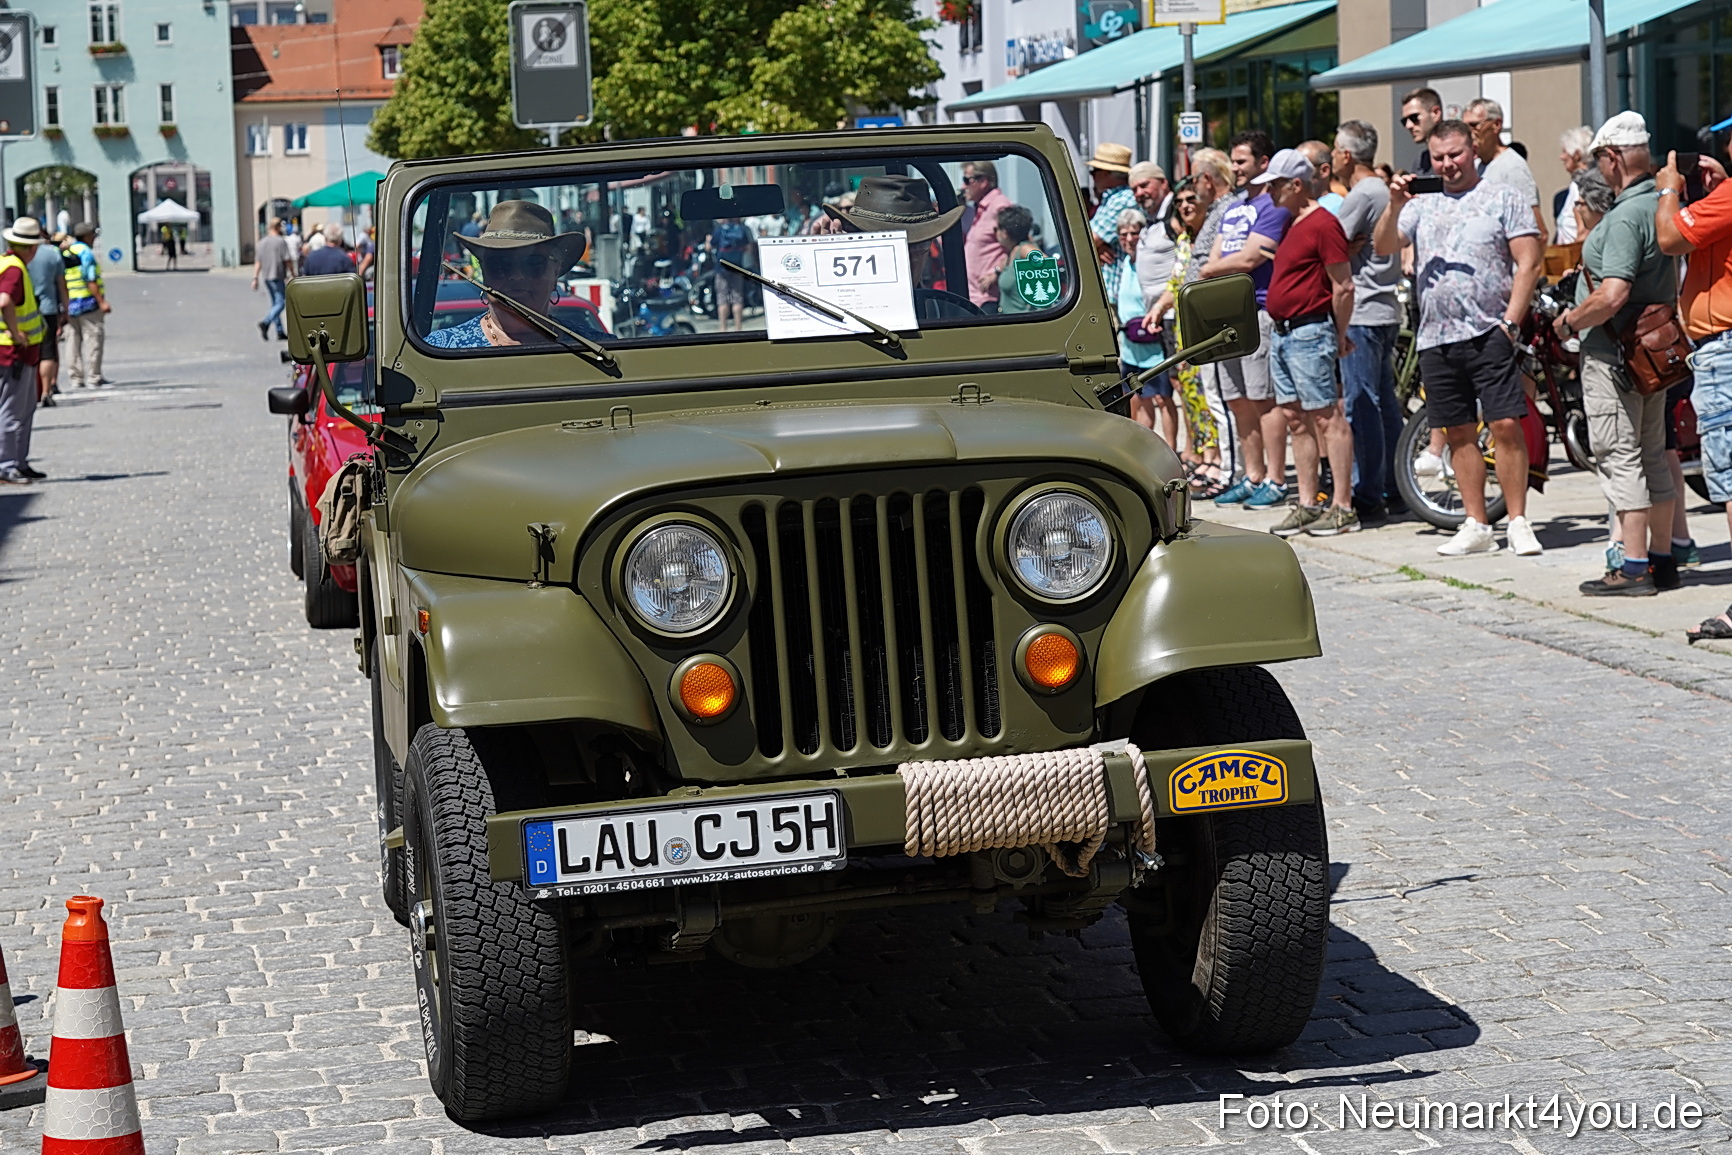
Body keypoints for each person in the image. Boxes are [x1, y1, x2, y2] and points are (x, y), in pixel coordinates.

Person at [1375, 120, 1544, 556]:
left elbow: (1529, 262)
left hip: (1490, 330)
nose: (1448, 165)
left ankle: (1519, 520)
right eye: (1439, 157)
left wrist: (1510, 322)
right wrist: (1394, 204)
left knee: (1505, 423)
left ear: (1473, 152)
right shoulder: (1422, 202)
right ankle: (1476, 523)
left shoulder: (1503, 197)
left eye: (1456, 154)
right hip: (1436, 335)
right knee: (1457, 431)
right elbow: (1384, 245)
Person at [1551, 113, 1678, 596]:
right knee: (1650, 456)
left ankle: (1633, 566)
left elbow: (1612, 295)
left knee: (1619, 456)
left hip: (1617, 355)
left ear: (1611, 158)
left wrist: (1569, 322)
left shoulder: (1625, 216)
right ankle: (1662, 559)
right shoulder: (1659, 205)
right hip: (1651, 352)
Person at [1258, 150, 1359, 537]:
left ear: (1296, 185)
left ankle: (1343, 505)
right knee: (1296, 418)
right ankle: (1307, 501)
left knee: (1326, 417)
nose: (1268, 192)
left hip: (1308, 331)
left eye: (1274, 185)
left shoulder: (1323, 224)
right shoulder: (1290, 224)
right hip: (1284, 332)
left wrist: (1337, 334)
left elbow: (1343, 285)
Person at [1656, 134, 1732, 639]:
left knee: (1730, 479)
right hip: (1718, 348)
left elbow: (1669, 238)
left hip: (1724, 350)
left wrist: (1668, 189)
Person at [1204, 133, 1293, 511]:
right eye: (1233, 161)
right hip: (1228, 311)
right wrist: (1212, 268)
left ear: (1263, 162)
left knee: (1263, 398)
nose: (1235, 168)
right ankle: (1252, 474)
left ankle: (1276, 478)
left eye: (1242, 161)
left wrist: (1208, 270)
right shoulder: (1233, 207)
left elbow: (1249, 258)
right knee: (1238, 399)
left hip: (1258, 309)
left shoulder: (1273, 207)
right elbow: (1219, 251)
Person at [1334, 119, 1404, 520]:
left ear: (1346, 154)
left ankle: (1369, 490)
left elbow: (1328, 244)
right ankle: (1394, 484)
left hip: (1362, 308)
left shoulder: (1362, 194)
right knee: (1384, 404)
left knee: (1361, 405)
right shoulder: (1381, 189)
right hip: (1384, 306)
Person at [425, 201, 592, 349]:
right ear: (484, 272)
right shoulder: (440, 351)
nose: (517, 276)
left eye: (533, 263)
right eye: (500, 264)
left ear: (555, 272)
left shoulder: (594, 349)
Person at [1177, 148, 1238, 497]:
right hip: (1202, 311)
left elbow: (1212, 262)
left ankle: (1229, 471)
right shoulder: (1215, 211)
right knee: (1213, 396)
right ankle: (1230, 468)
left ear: (1207, 179)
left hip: (1215, 312)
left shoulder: (1225, 210)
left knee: (1221, 398)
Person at [1112, 208, 1176, 445]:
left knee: (1163, 399)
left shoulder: (1150, 264)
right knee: (1138, 398)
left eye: (1134, 233)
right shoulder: (1123, 265)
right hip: (1130, 347)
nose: (1129, 239)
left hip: (1154, 344)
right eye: (1123, 234)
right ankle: (1143, 449)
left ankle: (1173, 448)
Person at [0, 217, 47, 484]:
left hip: (14, 352)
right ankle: (7, 464)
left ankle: (19, 461)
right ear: (32, 248)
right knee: (13, 409)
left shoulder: (5, 263)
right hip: (14, 353)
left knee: (23, 408)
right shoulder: (15, 269)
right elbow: (4, 300)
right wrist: (16, 332)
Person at [1464, 98, 1547, 240]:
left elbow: (1537, 231)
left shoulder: (1513, 168)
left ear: (1496, 125)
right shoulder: (1477, 167)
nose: (1469, 133)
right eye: (1464, 128)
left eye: (1474, 125)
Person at [1085, 144, 1138, 305]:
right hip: (1109, 292)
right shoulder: (1111, 199)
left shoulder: (1122, 200)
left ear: (1107, 173)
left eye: (1094, 172)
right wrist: (1098, 248)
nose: (1092, 177)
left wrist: (1095, 246)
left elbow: (1087, 243)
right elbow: (1090, 242)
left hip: (1114, 294)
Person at [60, 222, 109, 389]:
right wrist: (101, 302)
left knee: (72, 341)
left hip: (70, 304)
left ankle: (75, 378)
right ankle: (94, 376)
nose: (94, 238)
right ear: (87, 236)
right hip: (87, 303)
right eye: (93, 235)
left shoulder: (67, 251)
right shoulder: (85, 253)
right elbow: (90, 279)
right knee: (93, 339)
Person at [961, 160, 1011, 310]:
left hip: (989, 298)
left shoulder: (1000, 206)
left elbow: (1017, 245)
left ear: (983, 181)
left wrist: (996, 273)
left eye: (967, 180)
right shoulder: (976, 210)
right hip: (974, 297)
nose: (963, 187)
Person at [26, 227, 68, 407]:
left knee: (28, 351)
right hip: (48, 308)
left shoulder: (14, 257)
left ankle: (28, 391)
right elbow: (61, 285)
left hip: (25, 310)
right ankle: (46, 390)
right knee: (48, 351)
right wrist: (66, 308)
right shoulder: (53, 254)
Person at [990, 204, 1041, 316]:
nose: (995, 233)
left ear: (1005, 233)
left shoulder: (1025, 249)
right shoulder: (1012, 252)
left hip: (1023, 322)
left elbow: (1045, 264)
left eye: (996, 229)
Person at [708, 216, 755, 332]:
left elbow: (709, 247)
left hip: (721, 268)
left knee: (722, 298)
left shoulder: (719, 230)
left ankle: (723, 328)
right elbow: (748, 247)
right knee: (737, 297)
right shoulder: (742, 230)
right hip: (737, 267)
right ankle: (738, 328)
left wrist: (707, 240)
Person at [252, 218, 291, 341]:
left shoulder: (262, 242)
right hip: (278, 275)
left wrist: (255, 277)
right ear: (278, 227)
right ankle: (266, 322)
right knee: (281, 303)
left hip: (267, 276)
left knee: (275, 303)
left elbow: (258, 262)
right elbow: (287, 259)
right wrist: (293, 273)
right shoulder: (280, 242)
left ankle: (279, 331)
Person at [1556, 126, 1594, 243]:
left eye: (1565, 151)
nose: (1561, 157)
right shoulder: (1576, 185)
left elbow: (1583, 230)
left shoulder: (1581, 185)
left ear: (1576, 155)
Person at [1400, 87, 1443, 174]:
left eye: (1414, 117)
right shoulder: (1420, 162)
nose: (1408, 126)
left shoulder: (1464, 154)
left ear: (1435, 113)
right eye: (1404, 121)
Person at [1298, 141, 1344, 215]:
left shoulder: (1339, 208)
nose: (1295, 174)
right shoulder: (1292, 207)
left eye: (1303, 167)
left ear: (1324, 171)